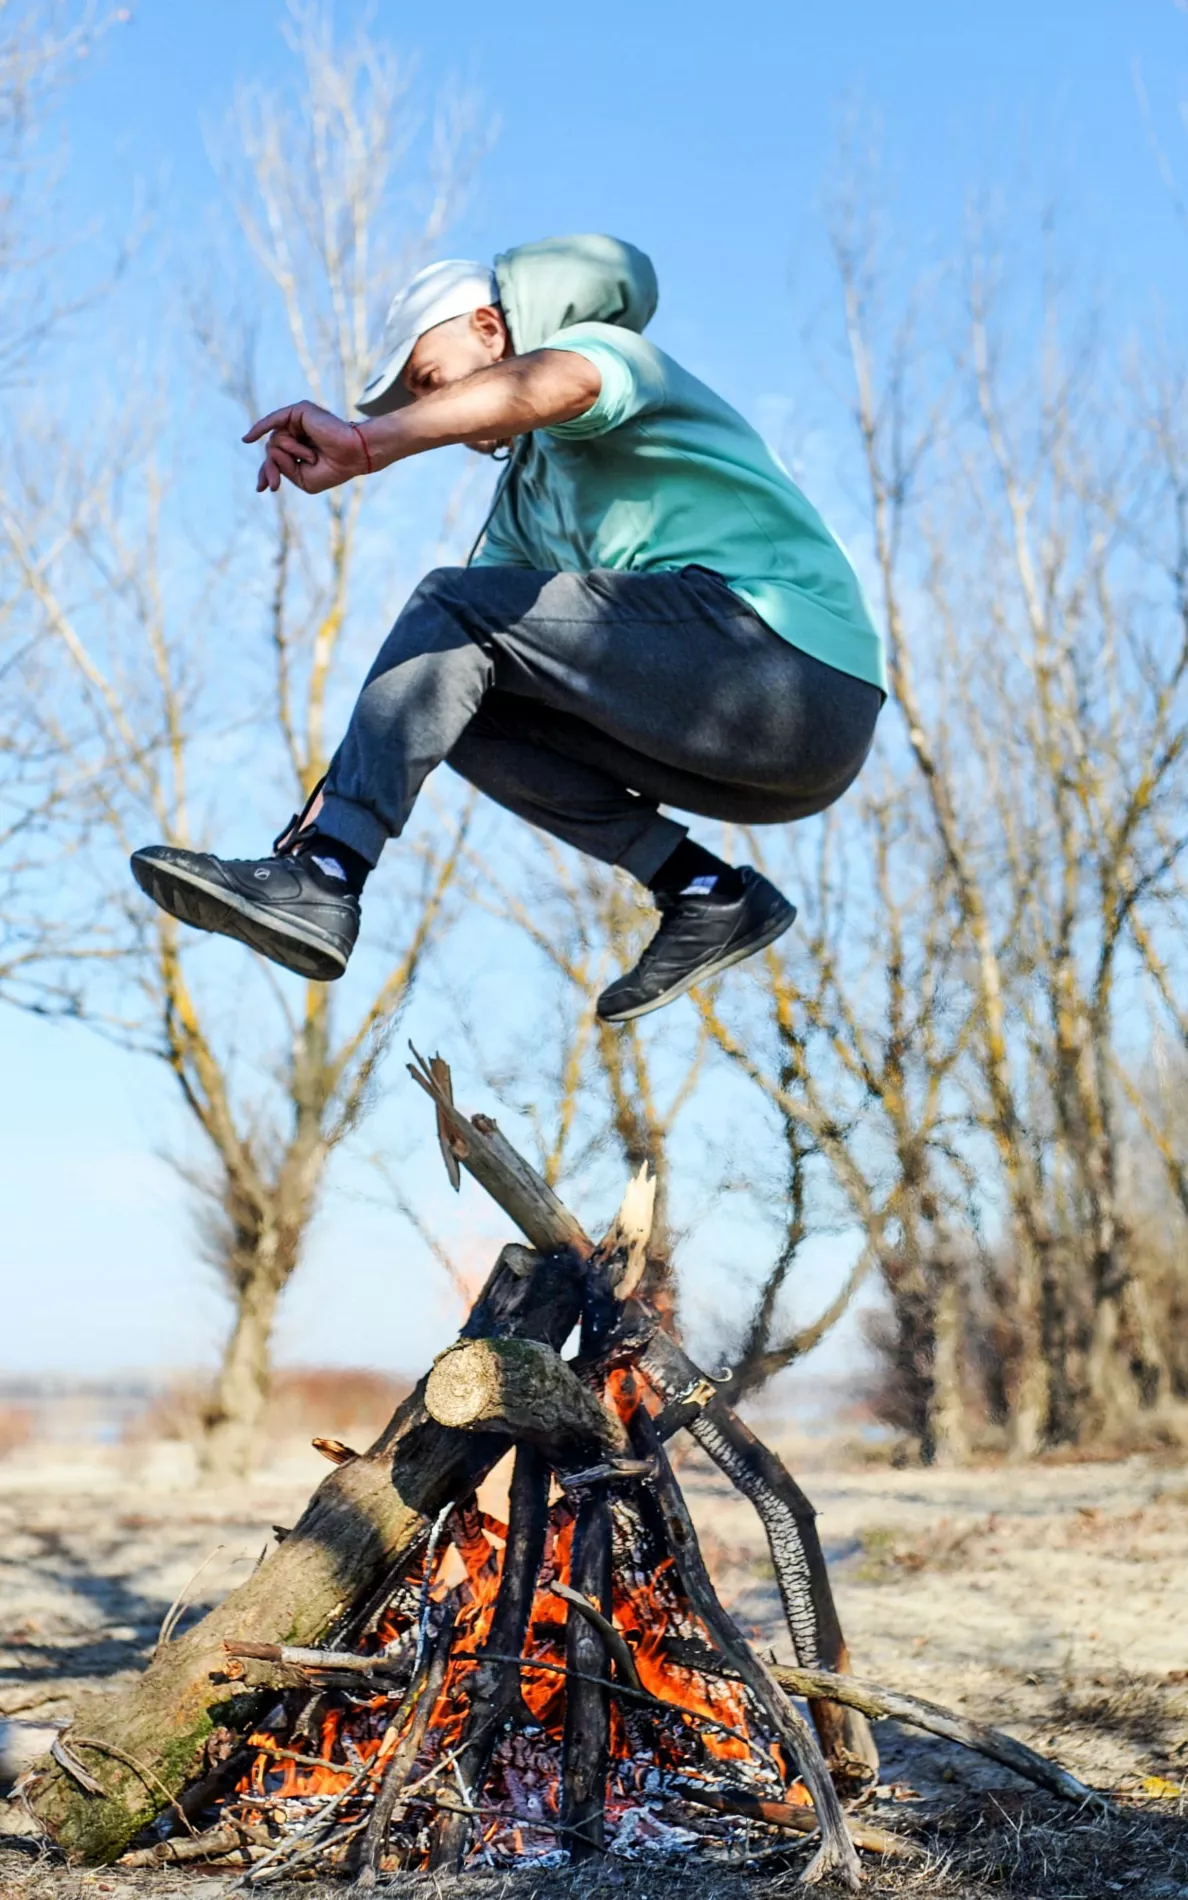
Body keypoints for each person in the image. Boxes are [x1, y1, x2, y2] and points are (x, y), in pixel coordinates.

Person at [131, 235, 885, 1023]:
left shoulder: (600, 351)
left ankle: (330, 876)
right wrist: (314, 824)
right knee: (456, 694)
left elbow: (558, 384)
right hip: (764, 760)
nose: (435, 413)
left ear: (490, 329)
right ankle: (702, 890)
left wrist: (366, 444)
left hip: (792, 665)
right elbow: (433, 664)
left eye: (430, 382)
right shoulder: (525, 504)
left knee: (453, 606)